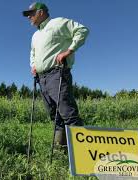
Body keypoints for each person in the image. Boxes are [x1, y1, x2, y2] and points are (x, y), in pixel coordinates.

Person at [23, 2, 89, 146]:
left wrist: (69, 50)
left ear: (41, 12)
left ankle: (83, 154)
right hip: (41, 78)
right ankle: (61, 150)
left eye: (31, 14)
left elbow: (82, 30)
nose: (29, 17)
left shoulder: (58, 23)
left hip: (57, 73)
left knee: (68, 113)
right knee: (55, 116)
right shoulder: (35, 35)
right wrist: (33, 65)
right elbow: (32, 53)